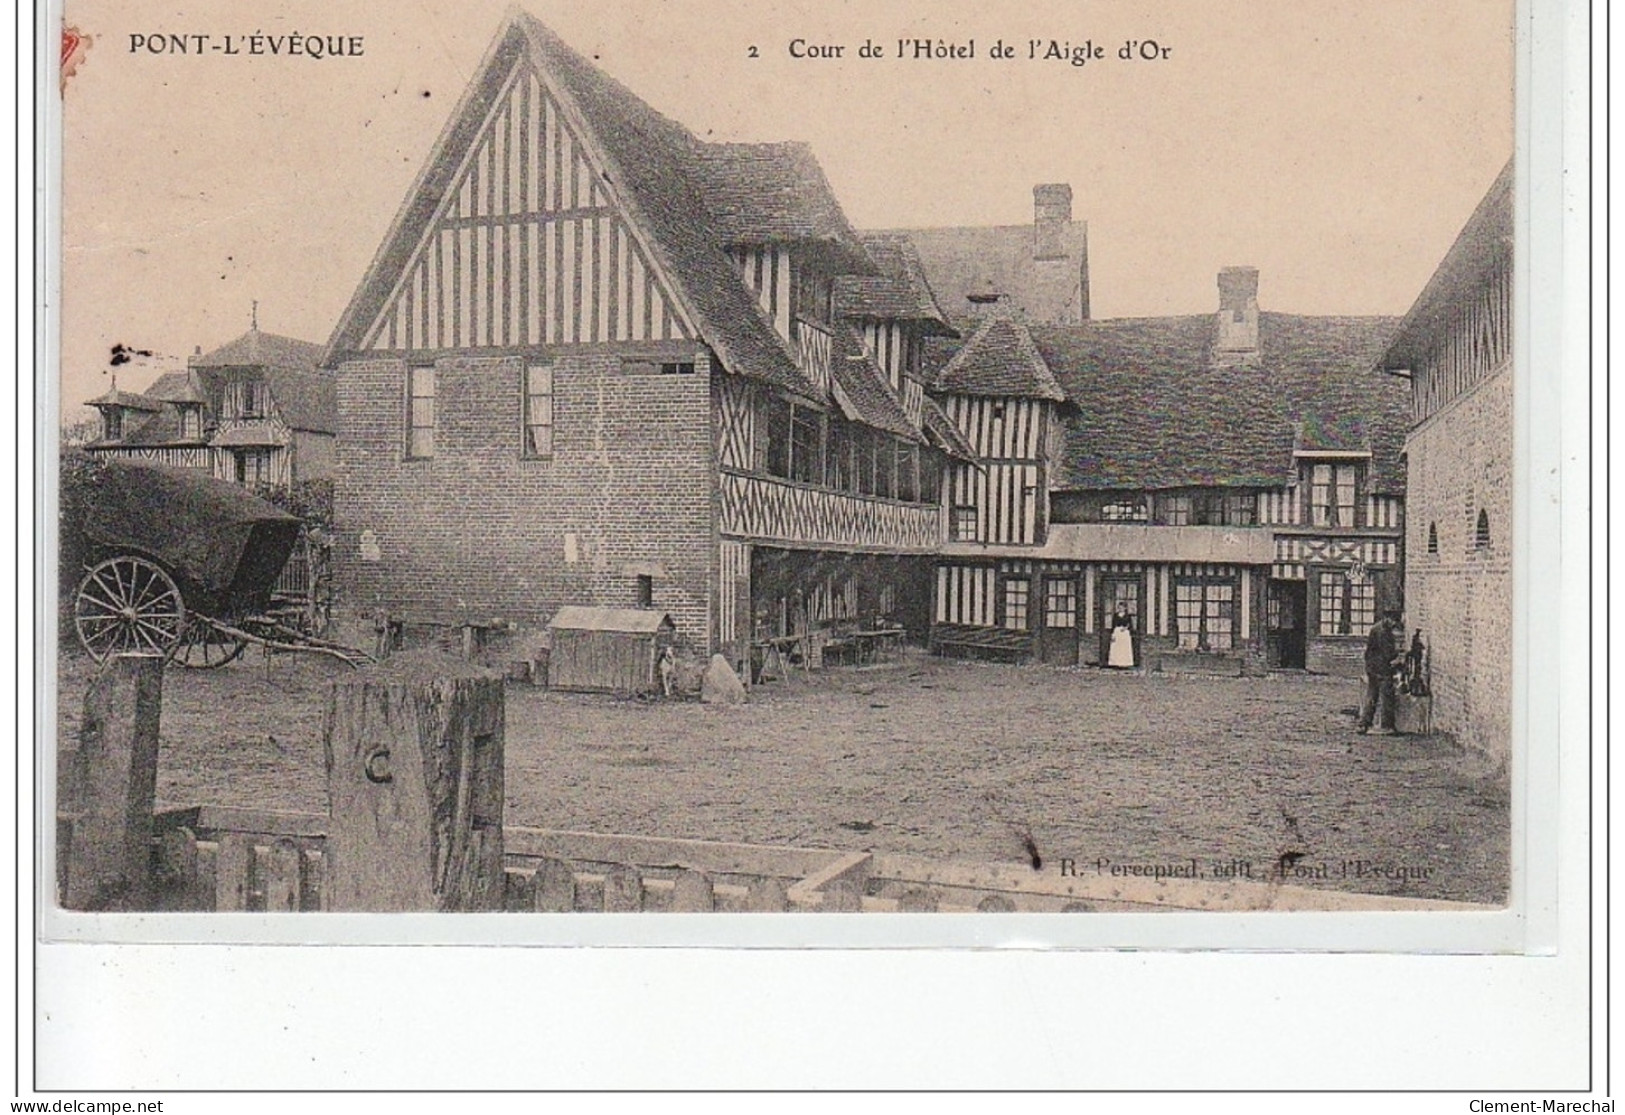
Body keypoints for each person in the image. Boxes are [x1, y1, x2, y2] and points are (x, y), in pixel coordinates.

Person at [1356, 611, 1405, 735]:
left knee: (1372, 694)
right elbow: (1388, 653)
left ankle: (1364, 724)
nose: (1394, 625)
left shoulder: (1378, 627)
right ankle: (1386, 725)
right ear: (1388, 619)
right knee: (1387, 695)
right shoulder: (1383, 632)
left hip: (1372, 666)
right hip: (1380, 667)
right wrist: (1398, 655)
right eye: (1393, 621)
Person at [1107, 601, 1136, 669]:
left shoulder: (1128, 616)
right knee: (1117, 647)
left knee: (1124, 648)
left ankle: (1125, 663)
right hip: (1117, 632)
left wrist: (1126, 628)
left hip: (1125, 633)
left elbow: (1130, 625)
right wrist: (1113, 634)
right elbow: (1113, 625)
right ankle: (1116, 663)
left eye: (1122, 607)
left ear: (1125, 608)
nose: (1120, 609)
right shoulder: (1116, 615)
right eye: (1119, 607)